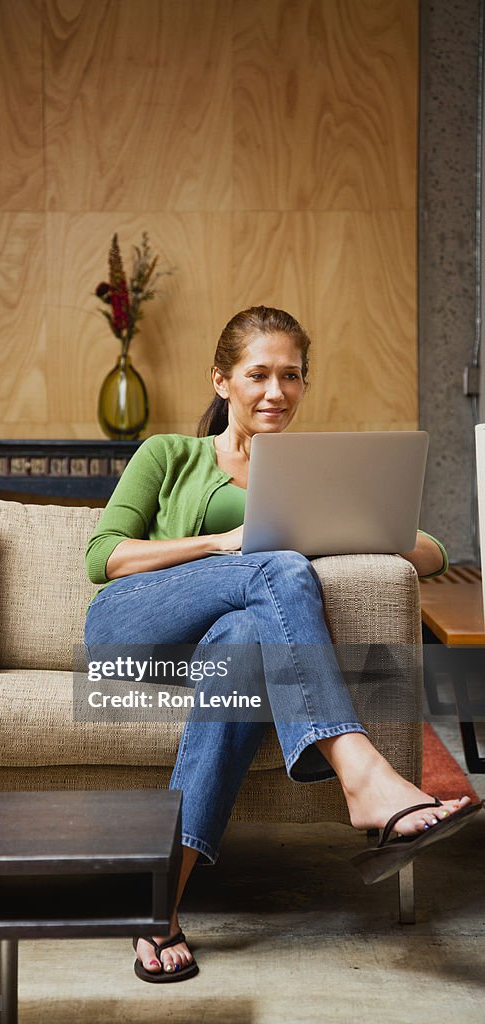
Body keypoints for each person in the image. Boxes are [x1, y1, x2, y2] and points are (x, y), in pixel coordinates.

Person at [84, 305, 482, 984]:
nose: (277, 391)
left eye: (292, 376)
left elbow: (433, 552)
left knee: (245, 647)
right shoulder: (170, 456)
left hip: (223, 647)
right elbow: (105, 558)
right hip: (131, 627)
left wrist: (362, 520)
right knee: (282, 565)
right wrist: (222, 545)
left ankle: (158, 912)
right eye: (259, 374)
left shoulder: (314, 472)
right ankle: (362, 772)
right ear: (222, 379)